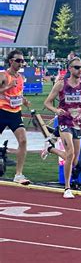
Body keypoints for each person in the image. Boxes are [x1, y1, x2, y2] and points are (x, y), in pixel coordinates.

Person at [43, 57, 81, 198]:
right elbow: (47, 102)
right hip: (65, 121)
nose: (80, 70)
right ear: (70, 69)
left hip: (79, 123)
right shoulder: (61, 84)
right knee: (70, 153)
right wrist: (56, 110)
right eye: (77, 67)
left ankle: (50, 149)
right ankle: (67, 187)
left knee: (74, 160)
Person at [0, 50, 31, 185]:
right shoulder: (3, 75)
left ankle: (18, 174)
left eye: (22, 61)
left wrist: (23, 100)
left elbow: (17, 92)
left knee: (23, 141)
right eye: (18, 60)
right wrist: (7, 87)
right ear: (11, 61)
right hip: (2, 111)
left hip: (15, 113)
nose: (21, 63)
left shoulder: (20, 77)